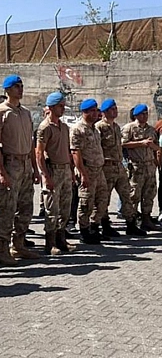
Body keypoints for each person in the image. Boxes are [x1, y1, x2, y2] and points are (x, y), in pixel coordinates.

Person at [0, 74, 42, 264]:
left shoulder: (25, 112)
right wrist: (2, 172)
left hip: (25, 163)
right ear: (7, 90)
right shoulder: (2, 112)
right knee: (7, 208)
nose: (20, 89)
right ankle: (2, 249)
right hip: (10, 163)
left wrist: (34, 168)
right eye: (16, 86)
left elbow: (31, 143)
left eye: (21, 85)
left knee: (26, 207)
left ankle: (18, 245)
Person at [95, 99, 146, 237]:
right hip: (106, 167)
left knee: (127, 195)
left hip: (119, 166)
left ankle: (131, 224)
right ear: (105, 112)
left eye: (116, 108)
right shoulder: (99, 127)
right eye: (112, 109)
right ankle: (104, 225)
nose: (115, 111)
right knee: (104, 198)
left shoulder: (117, 127)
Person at [35, 91, 77, 254]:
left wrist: (72, 171)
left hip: (65, 169)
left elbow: (67, 150)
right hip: (53, 170)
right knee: (51, 208)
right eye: (60, 106)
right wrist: (45, 175)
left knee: (65, 207)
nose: (63, 109)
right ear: (51, 107)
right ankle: (50, 242)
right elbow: (39, 153)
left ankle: (61, 239)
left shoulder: (64, 127)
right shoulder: (45, 127)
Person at [69, 98, 107, 245]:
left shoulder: (95, 129)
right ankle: (84, 231)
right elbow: (75, 153)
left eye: (96, 110)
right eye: (91, 111)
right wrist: (83, 174)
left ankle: (94, 227)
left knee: (102, 199)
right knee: (86, 202)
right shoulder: (78, 129)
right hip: (87, 170)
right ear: (84, 112)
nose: (95, 113)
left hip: (99, 170)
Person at [122, 104, 161, 231]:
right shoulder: (129, 128)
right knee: (134, 195)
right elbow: (123, 144)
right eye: (142, 114)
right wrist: (141, 143)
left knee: (149, 194)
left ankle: (146, 218)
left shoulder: (151, 129)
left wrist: (152, 146)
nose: (145, 116)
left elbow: (157, 147)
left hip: (149, 166)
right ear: (136, 115)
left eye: (146, 114)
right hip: (136, 166)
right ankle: (132, 221)